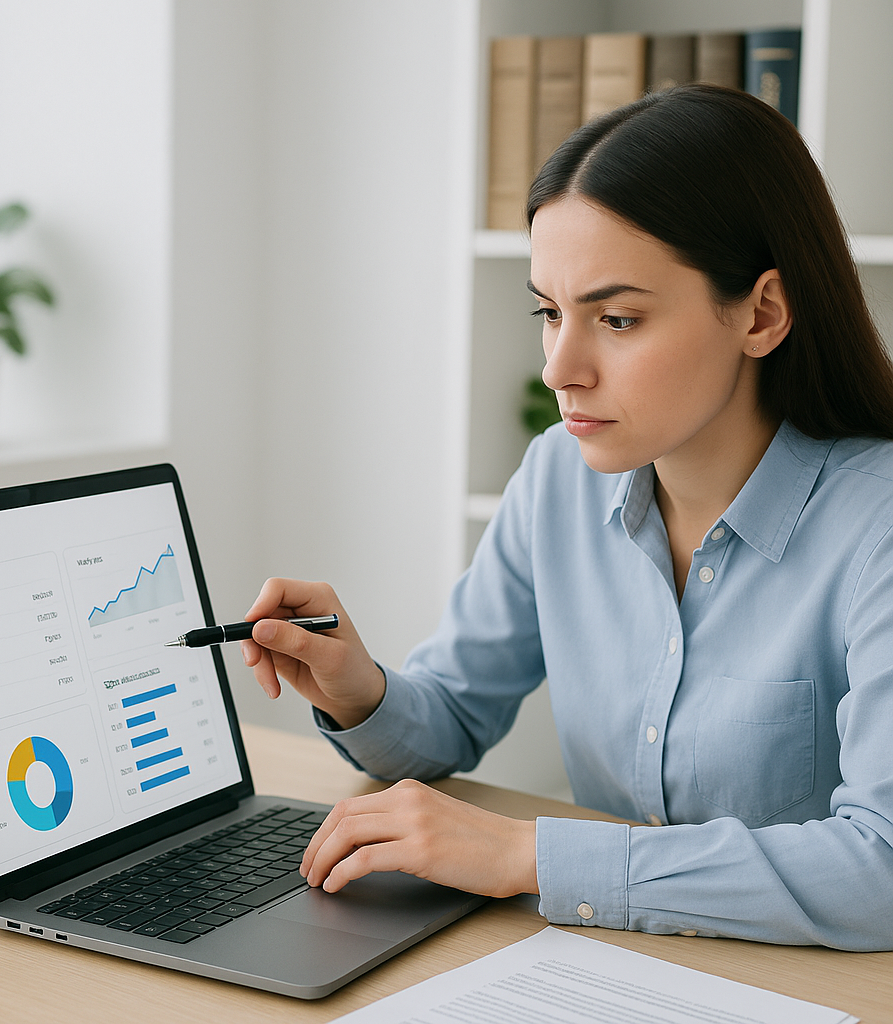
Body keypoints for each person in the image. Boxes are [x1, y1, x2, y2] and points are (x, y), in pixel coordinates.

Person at [241, 84, 893, 951]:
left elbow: (880, 868)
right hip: (602, 966)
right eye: (549, 313)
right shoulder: (558, 479)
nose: (559, 369)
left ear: (762, 313)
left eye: (617, 318)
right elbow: (452, 717)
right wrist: (362, 692)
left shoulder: (875, 524)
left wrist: (532, 857)